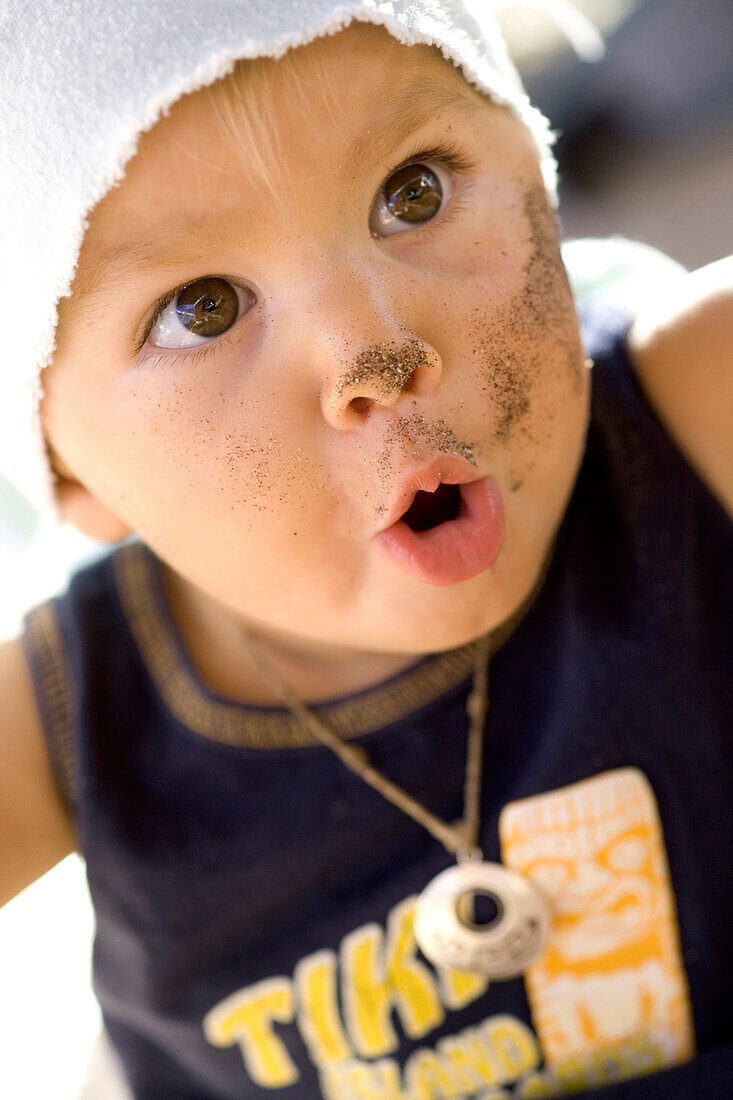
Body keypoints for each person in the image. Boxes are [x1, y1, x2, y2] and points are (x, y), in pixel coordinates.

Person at [0, 2, 731, 1097]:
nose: (374, 351)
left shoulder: (689, 400)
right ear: (69, 473)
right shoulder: (65, 714)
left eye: (414, 192)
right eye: (201, 309)